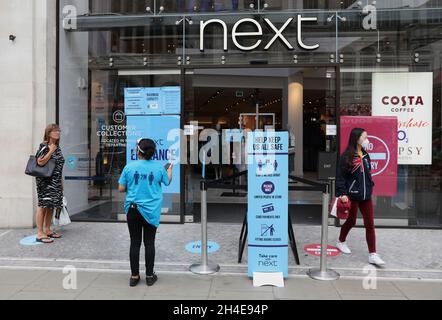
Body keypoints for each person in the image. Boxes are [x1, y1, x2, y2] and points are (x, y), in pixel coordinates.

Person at [118, 138, 173, 287]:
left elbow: (121, 188)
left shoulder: (129, 167)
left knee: (134, 243)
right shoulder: (159, 168)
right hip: (151, 211)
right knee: (149, 243)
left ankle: (134, 276)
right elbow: (167, 182)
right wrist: (169, 170)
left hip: (133, 210)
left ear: (138, 151)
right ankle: (149, 276)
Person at [335, 128, 385, 266]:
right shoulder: (347, 157)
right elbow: (340, 178)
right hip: (352, 196)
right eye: (365, 137)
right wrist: (343, 193)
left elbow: (368, 174)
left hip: (366, 196)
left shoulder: (365, 155)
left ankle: (373, 254)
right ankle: (341, 241)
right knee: (351, 221)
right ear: (357, 139)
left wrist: (370, 187)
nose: (367, 140)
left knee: (370, 224)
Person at [35, 124, 65, 243]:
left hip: (55, 181)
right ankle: (40, 233)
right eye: (55, 131)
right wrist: (51, 151)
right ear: (48, 133)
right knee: (43, 205)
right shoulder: (44, 146)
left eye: (58, 130)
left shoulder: (57, 147)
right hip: (45, 181)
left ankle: (47, 229)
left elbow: (58, 166)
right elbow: (40, 162)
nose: (58, 132)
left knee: (51, 205)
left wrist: (61, 182)